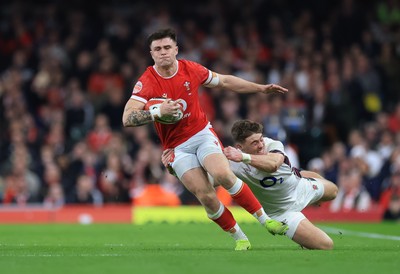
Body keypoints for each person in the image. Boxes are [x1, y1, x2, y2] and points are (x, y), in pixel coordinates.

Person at [122, 28, 288, 250]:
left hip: (201, 134)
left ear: (176, 50)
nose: (163, 53)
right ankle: (240, 238)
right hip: (176, 147)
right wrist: (157, 112)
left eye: (167, 47)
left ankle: (265, 220)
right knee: (206, 196)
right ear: (151, 54)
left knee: (222, 173)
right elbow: (127, 118)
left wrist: (260, 88)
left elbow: (226, 81)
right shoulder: (147, 82)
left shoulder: (191, 69)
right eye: (158, 49)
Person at [163, 120, 338, 250]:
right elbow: (206, 184)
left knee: (334, 191)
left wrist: (244, 157)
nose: (261, 145)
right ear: (240, 146)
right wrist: (177, 170)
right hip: (281, 212)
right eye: (254, 143)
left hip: (300, 188)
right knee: (326, 245)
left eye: (260, 139)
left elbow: (273, 164)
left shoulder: (272, 144)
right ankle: (303, 233)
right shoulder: (232, 164)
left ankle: (300, 175)